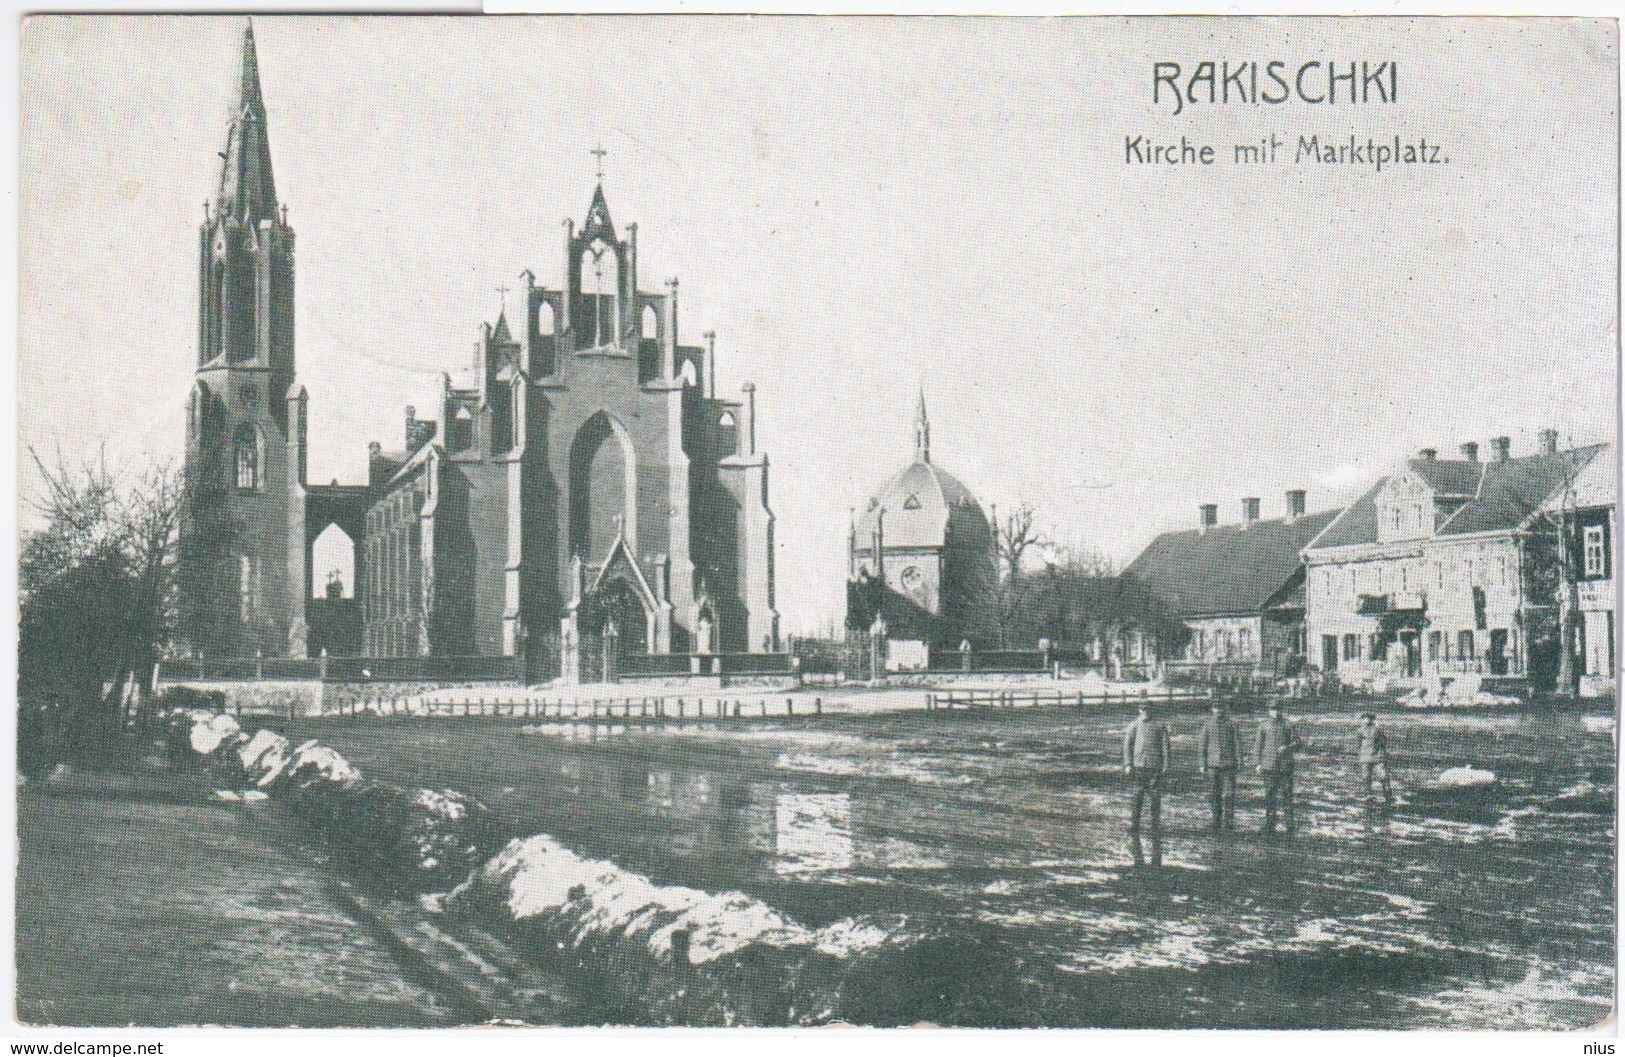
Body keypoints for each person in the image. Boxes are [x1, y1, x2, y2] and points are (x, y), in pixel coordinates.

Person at [1122, 703, 1172, 834]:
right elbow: (1127, 747)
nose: (1145, 712)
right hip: (1138, 767)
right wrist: (1128, 764)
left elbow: (1165, 747)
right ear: (1139, 710)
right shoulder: (1133, 726)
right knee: (1137, 797)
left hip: (1154, 767)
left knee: (1155, 798)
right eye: (1143, 709)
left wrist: (1166, 765)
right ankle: (1135, 826)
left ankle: (1155, 827)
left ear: (1152, 711)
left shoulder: (1160, 726)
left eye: (1148, 709)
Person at [1255, 702, 1300, 834]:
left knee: (1287, 796)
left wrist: (1287, 747)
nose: (1276, 712)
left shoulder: (1288, 724)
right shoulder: (1263, 726)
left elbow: (1298, 743)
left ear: (1281, 710)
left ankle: (1290, 825)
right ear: (1269, 711)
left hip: (1285, 767)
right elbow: (1258, 746)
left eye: (1278, 709)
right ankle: (1269, 824)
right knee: (1270, 796)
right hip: (1268, 766)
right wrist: (1257, 764)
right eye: (1273, 709)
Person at [1197, 703, 1239, 831]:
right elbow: (1202, 746)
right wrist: (1202, 764)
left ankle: (1229, 822)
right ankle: (1216, 820)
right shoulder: (1207, 725)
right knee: (1214, 794)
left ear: (1224, 709)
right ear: (1212, 709)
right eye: (1216, 708)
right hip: (1212, 766)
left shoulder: (1231, 724)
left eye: (1221, 708)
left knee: (1229, 795)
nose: (1219, 710)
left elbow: (1237, 744)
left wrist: (1239, 761)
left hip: (1228, 765)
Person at [1355, 711, 1393, 806]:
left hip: (1378, 756)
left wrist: (1382, 752)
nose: (1366, 720)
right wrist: (1359, 754)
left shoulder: (1378, 729)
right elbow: (1358, 744)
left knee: (1383, 776)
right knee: (1366, 777)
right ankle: (1368, 795)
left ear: (1372, 720)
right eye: (1365, 718)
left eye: (1369, 718)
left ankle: (1388, 796)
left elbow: (1384, 741)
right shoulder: (1360, 730)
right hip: (1365, 757)